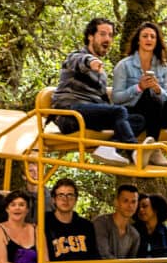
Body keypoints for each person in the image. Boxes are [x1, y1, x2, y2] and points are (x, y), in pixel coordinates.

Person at [53, 18, 156, 167]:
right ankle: (134, 150)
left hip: (89, 114)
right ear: (90, 36)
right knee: (119, 112)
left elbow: (102, 102)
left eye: (110, 35)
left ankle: (108, 148)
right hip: (70, 114)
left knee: (138, 119)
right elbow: (79, 60)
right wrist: (91, 62)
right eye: (102, 34)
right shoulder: (76, 56)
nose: (107, 39)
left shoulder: (102, 72)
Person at [108, 22, 167, 167]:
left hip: (156, 114)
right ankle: (153, 148)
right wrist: (138, 87)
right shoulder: (124, 65)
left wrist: (158, 89)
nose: (149, 39)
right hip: (134, 113)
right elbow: (117, 98)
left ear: (157, 41)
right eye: (145, 36)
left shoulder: (163, 67)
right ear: (138, 40)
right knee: (148, 97)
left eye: (152, 37)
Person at [40, 177, 117, 263]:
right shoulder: (45, 222)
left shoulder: (86, 225)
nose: (65, 200)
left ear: (76, 199)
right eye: (61, 195)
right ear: (54, 199)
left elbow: (94, 256)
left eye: (70, 195)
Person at [90, 183, 148, 263]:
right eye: (125, 201)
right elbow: (104, 257)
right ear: (116, 202)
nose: (130, 206)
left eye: (133, 202)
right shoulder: (101, 223)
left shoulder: (134, 234)